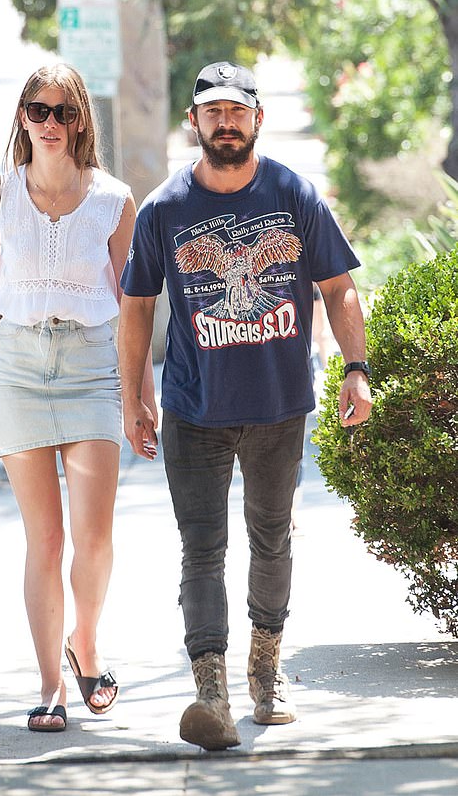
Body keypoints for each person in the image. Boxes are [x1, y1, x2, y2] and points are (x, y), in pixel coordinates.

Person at [118, 61, 372, 751]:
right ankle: (212, 692)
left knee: (271, 540)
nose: (225, 123)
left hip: (277, 405)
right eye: (213, 111)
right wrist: (134, 395)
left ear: (257, 118)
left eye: (237, 111)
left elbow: (339, 288)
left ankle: (265, 669)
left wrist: (357, 368)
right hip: (194, 409)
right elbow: (137, 306)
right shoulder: (163, 210)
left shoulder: (294, 194)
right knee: (201, 547)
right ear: (194, 121)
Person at [0, 62, 153, 733]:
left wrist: (139, 391)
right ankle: (51, 684)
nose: (50, 123)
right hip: (20, 365)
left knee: (95, 537)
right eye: (37, 110)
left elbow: (134, 302)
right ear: (22, 117)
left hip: (91, 368)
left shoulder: (114, 199)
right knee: (45, 540)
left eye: (63, 111)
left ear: (81, 120)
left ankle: (86, 638)